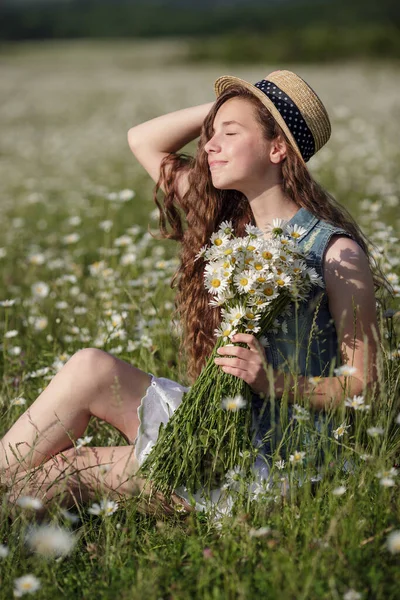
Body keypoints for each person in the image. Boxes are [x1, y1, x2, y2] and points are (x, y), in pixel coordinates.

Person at [0, 70, 383, 517]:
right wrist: (235, 107)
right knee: (89, 366)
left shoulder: (335, 254)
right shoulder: (231, 224)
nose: (209, 146)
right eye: (209, 134)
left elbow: (365, 387)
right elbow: (143, 140)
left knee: (65, 468)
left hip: (276, 464)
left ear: (278, 148)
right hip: (221, 430)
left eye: (229, 134)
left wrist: (272, 383)